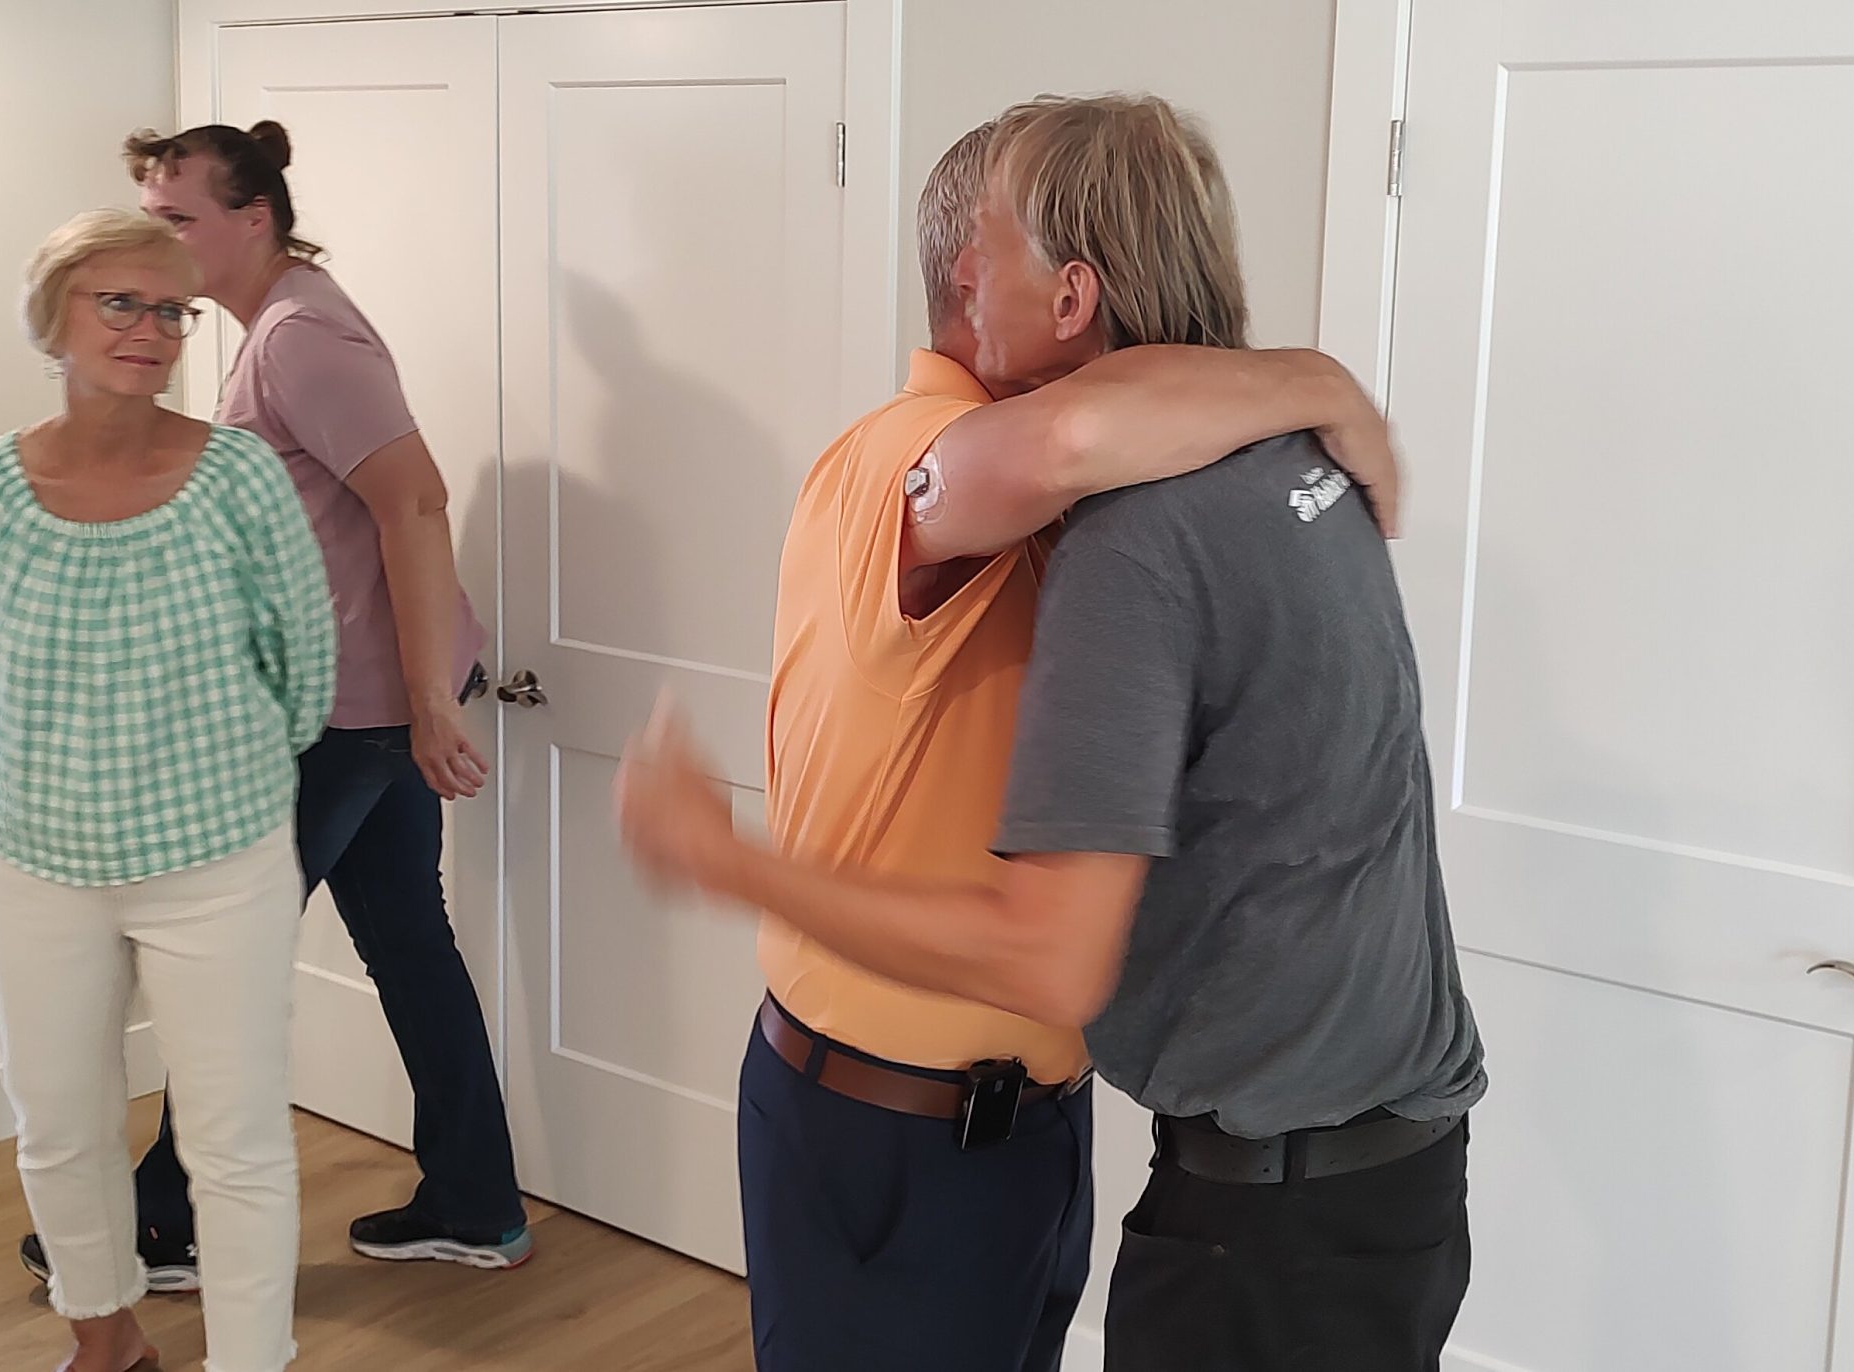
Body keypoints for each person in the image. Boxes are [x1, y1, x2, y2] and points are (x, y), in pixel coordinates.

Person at [616, 94, 1483, 1372]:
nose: (985, 271)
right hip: (880, 1126)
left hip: (1040, 1126)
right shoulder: (905, 457)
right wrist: (1317, 379)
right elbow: (1069, 433)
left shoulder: (1189, 485)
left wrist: (1307, 383)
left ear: (1069, 294)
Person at [20, 119, 528, 1293]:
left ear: (254, 221)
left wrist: (422, 708)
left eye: (177, 218)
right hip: (368, 696)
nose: (157, 240)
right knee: (408, 942)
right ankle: (476, 1201)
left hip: (353, 711)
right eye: (148, 217)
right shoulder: (281, 326)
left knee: (221, 959)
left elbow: (413, 501)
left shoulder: (301, 339)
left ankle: (163, 1218)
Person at [0, 209, 333, 1372]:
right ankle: (105, 1340)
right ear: (54, 316)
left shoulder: (238, 478)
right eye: (122, 302)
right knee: (60, 1129)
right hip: (35, 864)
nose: (151, 331)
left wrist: (198, 769)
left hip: (218, 864)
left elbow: (302, 672)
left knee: (236, 1145)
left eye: (172, 310)